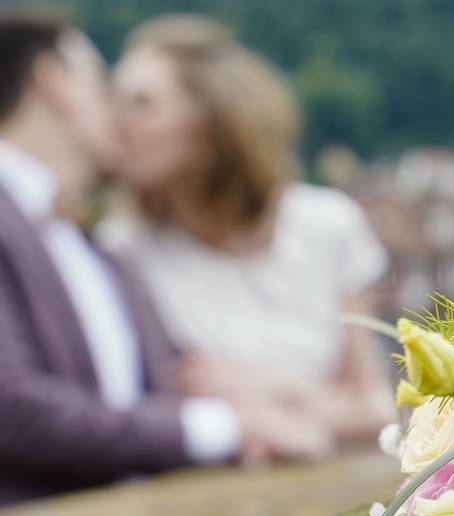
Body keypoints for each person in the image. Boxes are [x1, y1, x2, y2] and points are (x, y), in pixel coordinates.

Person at [0, 12, 330, 505]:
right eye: (102, 85)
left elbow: (160, 385)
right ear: (55, 82)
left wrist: (256, 398)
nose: (115, 114)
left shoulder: (92, 243)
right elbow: (13, 407)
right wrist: (222, 427)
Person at [101, 16, 395, 443]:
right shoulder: (122, 250)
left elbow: (377, 411)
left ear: (209, 126)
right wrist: (317, 410)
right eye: (114, 101)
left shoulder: (329, 225)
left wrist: (277, 392)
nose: (116, 124)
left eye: (141, 103)